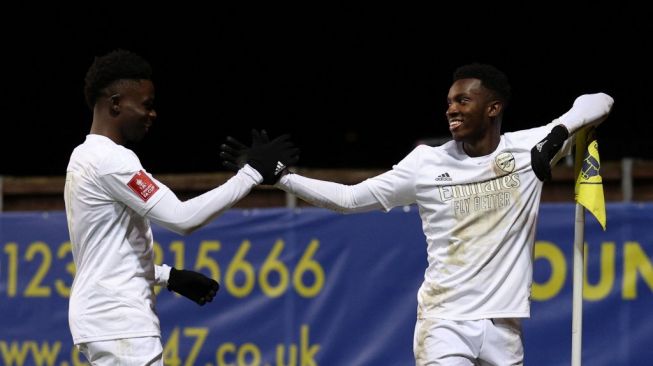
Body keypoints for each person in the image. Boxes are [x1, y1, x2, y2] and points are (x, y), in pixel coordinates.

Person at [221, 63, 613, 365]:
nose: (451, 110)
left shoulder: (529, 149)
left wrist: (561, 132)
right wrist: (284, 178)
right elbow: (350, 199)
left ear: (493, 108)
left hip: (505, 324)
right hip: (445, 321)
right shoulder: (426, 163)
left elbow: (600, 100)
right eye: (449, 102)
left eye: (463, 101)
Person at [64, 49, 298, 365]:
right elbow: (182, 218)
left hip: (105, 321)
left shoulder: (83, 157)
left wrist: (167, 276)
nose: (153, 114)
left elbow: (105, 254)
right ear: (115, 103)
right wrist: (252, 173)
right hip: (120, 325)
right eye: (145, 105)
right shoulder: (111, 161)